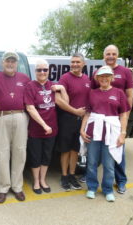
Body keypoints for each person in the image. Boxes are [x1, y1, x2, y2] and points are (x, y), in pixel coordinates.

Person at [80, 65, 129, 202]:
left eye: (107, 76)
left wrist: (123, 134)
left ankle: (107, 189)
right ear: (97, 78)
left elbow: (123, 115)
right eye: (101, 76)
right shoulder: (92, 93)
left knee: (108, 164)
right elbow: (88, 113)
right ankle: (91, 187)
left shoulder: (119, 93)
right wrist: (82, 130)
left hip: (111, 133)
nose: (104, 78)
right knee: (92, 162)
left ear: (112, 77)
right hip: (93, 132)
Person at [91, 44, 133, 194]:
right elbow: (93, 93)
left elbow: (129, 95)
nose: (110, 56)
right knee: (97, 151)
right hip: (101, 119)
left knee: (118, 152)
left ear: (117, 55)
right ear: (104, 56)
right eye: (108, 53)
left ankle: (121, 181)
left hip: (117, 118)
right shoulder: (97, 72)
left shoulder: (126, 72)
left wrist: (125, 117)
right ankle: (91, 179)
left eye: (113, 54)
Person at [0, 51, 30, 203]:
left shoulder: (24, 78)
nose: (10, 63)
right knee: (2, 153)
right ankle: (3, 187)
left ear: (17, 63)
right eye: (8, 61)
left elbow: (37, 89)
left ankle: (17, 187)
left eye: (13, 61)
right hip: (1, 117)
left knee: (20, 152)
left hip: (20, 116)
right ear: (3, 62)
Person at [24, 59, 65, 194]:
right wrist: (44, 125)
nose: (42, 72)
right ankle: (36, 181)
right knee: (35, 156)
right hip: (36, 130)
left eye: (45, 70)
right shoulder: (30, 86)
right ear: (35, 72)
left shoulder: (53, 86)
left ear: (49, 71)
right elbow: (30, 108)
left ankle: (43, 180)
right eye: (39, 70)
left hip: (52, 129)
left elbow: (65, 103)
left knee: (47, 156)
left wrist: (62, 88)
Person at [55, 53, 91, 191]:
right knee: (65, 150)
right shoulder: (65, 78)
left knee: (75, 149)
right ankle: (64, 176)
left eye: (78, 62)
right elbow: (58, 100)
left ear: (83, 64)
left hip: (81, 121)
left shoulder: (87, 79)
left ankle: (72, 175)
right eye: (73, 62)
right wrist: (75, 111)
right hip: (67, 118)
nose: (75, 64)